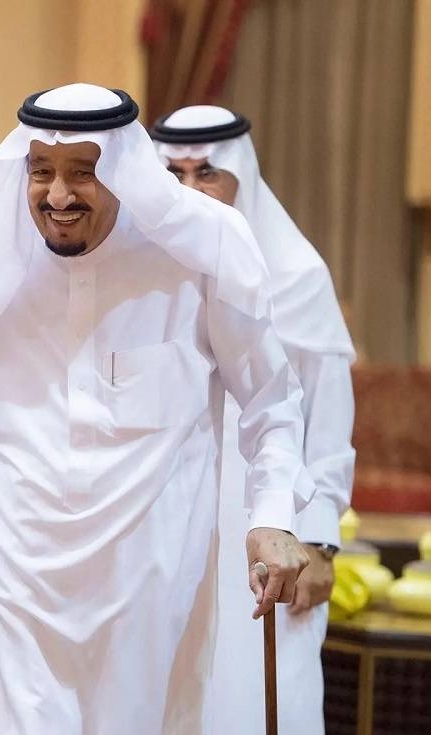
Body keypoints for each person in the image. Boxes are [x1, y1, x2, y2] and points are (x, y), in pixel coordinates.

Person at [0, 83, 313, 734]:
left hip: (154, 580)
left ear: (126, 172)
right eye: (41, 171)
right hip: (17, 579)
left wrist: (274, 514)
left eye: (83, 172)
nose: (58, 195)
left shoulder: (194, 257)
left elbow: (272, 400)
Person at [153, 104, 355, 735]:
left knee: (265, 692)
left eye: (207, 172)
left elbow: (328, 424)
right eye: (175, 173)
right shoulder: (143, 276)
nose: (192, 189)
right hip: (165, 524)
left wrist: (318, 541)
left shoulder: (297, 275)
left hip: (271, 528)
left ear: (241, 175)